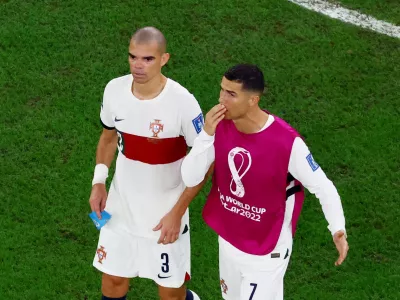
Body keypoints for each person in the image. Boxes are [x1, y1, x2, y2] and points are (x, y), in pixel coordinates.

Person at [180, 64, 349, 300]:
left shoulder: (286, 143)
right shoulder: (218, 127)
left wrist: (337, 228)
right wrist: (206, 134)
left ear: (253, 100)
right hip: (228, 241)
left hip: (267, 252)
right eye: (222, 90)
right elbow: (190, 177)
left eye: (231, 94)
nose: (221, 99)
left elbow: (323, 186)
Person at [88, 26, 202, 300]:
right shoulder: (114, 90)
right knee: (113, 281)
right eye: (133, 57)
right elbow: (107, 138)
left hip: (164, 215)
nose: (138, 66)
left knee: (170, 294)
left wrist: (178, 212)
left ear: (164, 59)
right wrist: (99, 182)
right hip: (121, 207)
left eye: (147, 59)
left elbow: (204, 162)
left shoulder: (182, 103)